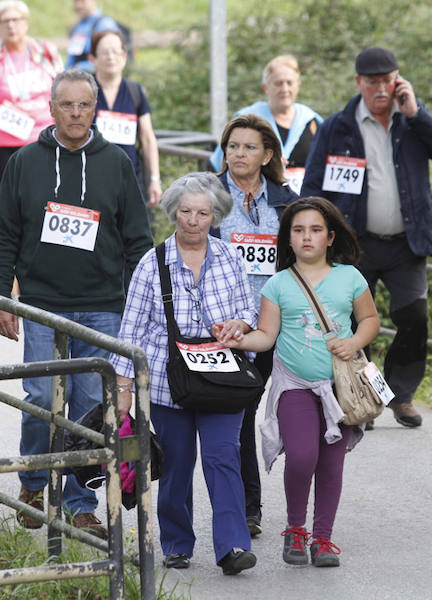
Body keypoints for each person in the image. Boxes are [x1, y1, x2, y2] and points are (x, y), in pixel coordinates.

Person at [0, 68, 152, 537]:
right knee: (41, 397)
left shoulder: (117, 163)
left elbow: (138, 239)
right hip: (41, 304)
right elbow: (4, 237)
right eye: (68, 105)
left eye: (85, 105)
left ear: (95, 109)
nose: (77, 113)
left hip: (103, 305)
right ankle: (35, 482)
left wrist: (142, 306)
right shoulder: (24, 161)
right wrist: (3, 298)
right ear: (52, 108)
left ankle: (81, 504)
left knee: (86, 408)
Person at [301, 46, 432, 428]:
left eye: (388, 80)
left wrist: (416, 113)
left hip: (407, 243)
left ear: (398, 79)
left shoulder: (412, 121)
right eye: (373, 82)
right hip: (357, 244)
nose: (382, 89)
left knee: (414, 317)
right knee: (355, 323)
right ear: (359, 83)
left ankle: (401, 396)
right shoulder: (338, 127)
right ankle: (364, 395)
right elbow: (313, 185)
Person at [217, 197, 379, 568]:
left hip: (340, 389)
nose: (307, 237)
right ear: (288, 238)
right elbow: (267, 336)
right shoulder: (277, 285)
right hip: (294, 385)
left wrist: (354, 341)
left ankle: (323, 539)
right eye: (299, 230)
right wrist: (240, 340)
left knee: (331, 465)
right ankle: (295, 529)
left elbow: (370, 320)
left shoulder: (350, 277)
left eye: (316, 230)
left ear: (330, 237)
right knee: (303, 456)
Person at [110, 172, 257, 575]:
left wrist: (238, 326)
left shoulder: (229, 256)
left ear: (215, 216)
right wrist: (123, 388)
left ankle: (232, 547)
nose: (193, 220)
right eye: (186, 212)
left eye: (203, 213)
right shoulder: (151, 262)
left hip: (222, 376)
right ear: (174, 212)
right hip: (166, 381)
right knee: (175, 462)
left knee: (223, 456)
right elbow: (132, 330)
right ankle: (177, 544)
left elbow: (249, 310)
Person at [215, 113, 297, 537]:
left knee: (249, 413)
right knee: (237, 415)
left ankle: (255, 509)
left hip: (271, 328)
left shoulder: (285, 202)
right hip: (221, 329)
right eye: (232, 146)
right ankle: (246, 508)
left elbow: (303, 261)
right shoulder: (209, 197)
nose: (239, 154)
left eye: (249, 147)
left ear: (267, 155)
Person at [0, 0, 63, 197]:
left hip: (43, 140)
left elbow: (64, 93)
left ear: (26, 22)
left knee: (44, 199)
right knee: (12, 204)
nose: (11, 25)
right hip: (2, 146)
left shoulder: (46, 52)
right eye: (4, 21)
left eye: (15, 20)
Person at [210, 55, 322, 195]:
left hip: (304, 202)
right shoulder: (247, 119)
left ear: (298, 86)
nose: (285, 89)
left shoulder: (311, 120)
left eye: (289, 83)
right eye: (278, 83)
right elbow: (221, 162)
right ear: (265, 87)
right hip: (256, 201)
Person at [89, 30, 161, 206]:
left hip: (129, 182)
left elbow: (147, 138)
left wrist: (154, 179)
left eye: (116, 51)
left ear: (124, 56)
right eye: (104, 52)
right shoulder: (84, 90)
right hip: (89, 183)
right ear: (93, 58)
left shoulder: (134, 91)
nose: (110, 57)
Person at [65, 0, 119, 72]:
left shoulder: (105, 24)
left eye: (82, 1)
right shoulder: (78, 27)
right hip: (75, 77)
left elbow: (112, 59)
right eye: (76, 1)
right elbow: (72, 57)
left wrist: (79, 68)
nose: (78, 5)